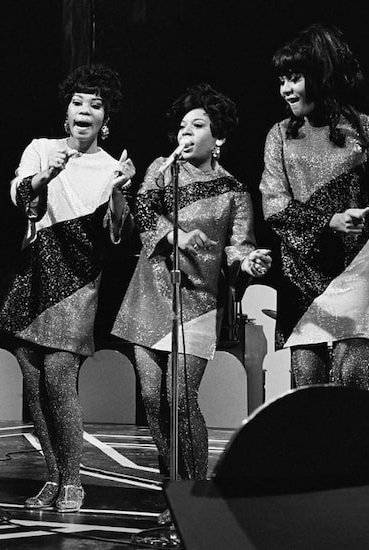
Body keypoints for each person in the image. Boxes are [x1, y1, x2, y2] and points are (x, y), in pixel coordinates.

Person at [260, 24, 369, 389]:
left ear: (321, 74)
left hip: (356, 270)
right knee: (306, 382)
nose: (285, 90)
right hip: (302, 273)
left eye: (294, 78)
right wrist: (330, 221)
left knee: (351, 380)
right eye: (282, 80)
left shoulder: (368, 131)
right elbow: (275, 207)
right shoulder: (279, 135)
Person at [0, 64, 135, 513]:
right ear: (66, 110)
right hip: (34, 271)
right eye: (78, 102)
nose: (85, 111)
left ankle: (73, 480)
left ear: (105, 117)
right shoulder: (42, 149)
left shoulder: (113, 166)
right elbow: (18, 196)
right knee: (33, 381)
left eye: (95, 105)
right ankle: (53, 477)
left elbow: (117, 234)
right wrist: (43, 177)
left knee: (58, 374)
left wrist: (118, 192)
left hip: (77, 278)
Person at [112, 84, 271, 484]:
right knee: (151, 398)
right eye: (182, 125)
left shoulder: (235, 191)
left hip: (199, 302)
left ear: (218, 138)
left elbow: (238, 246)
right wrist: (173, 234)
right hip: (149, 295)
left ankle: (197, 491)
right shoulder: (161, 172)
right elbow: (142, 215)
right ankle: (174, 486)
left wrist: (248, 260)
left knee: (179, 398)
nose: (186, 132)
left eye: (197, 125)